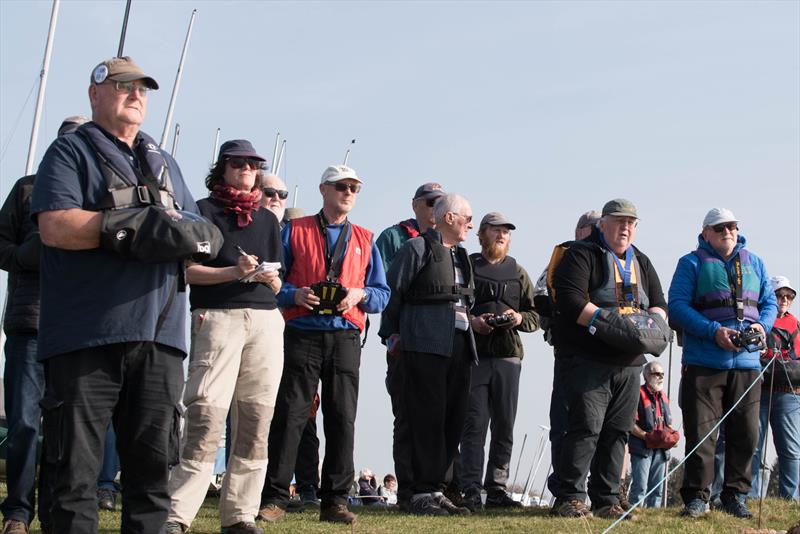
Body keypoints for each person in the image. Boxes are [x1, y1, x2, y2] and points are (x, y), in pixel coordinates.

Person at [30, 56, 198, 533]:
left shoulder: (162, 161)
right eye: (124, 86)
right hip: (86, 337)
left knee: (150, 480)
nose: (136, 95)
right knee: (72, 478)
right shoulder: (69, 154)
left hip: (161, 340)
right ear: (95, 94)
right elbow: (56, 227)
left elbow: (195, 233)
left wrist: (180, 234)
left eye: (142, 88)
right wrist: (135, 227)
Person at [258, 165, 389, 525]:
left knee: (342, 417)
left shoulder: (365, 239)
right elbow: (271, 278)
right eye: (342, 186)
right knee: (290, 415)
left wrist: (358, 294)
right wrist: (293, 293)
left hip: (345, 335)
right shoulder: (294, 230)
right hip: (303, 330)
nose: (349, 193)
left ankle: (335, 501)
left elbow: (382, 295)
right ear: (324, 190)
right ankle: (275, 497)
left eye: (355, 188)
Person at [165, 140, 284, 534]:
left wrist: (270, 277)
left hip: (265, 320)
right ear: (223, 168)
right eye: (239, 163)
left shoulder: (268, 220)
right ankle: (177, 513)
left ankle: (239, 515)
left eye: (253, 163)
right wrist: (235, 272)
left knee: (255, 422)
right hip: (217, 317)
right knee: (205, 417)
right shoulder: (201, 211)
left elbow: (279, 279)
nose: (248, 168)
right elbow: (186, 271)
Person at [548, 198, 668, 519]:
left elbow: (657, 301)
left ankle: (606, 499)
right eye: (619, 221)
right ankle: (570, 497)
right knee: (585, 426)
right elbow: (572, 300)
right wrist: (610, 325)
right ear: (603, 224)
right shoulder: (581, 254)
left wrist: (651, 330)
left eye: (631, 223)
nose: (625, 228)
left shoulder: (641, 261)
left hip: (630, 362)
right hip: (589, 358)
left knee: (618, 431)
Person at [0, 115, 88, 534]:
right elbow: (1, 245)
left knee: (69, 430)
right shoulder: (26, 189)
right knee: (22, 423)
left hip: (81, 330)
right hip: (29, 325)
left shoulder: (99, 196)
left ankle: (55, 512)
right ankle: (17, 511)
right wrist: (28, 253)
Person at [668, 207, 777, 519]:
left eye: (731, 226)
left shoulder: (755, 262)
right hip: (704, 361)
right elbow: (676, 307)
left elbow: (769, 303)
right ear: (706, 233)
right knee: (702, 432)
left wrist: (762, 327)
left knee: (746, 433)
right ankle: (697, 498)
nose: (727, 231)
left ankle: (735, 495)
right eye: (719, 228)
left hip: (748, 363)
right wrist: (713, 331)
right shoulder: (690, 263)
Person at [379, 192, 477, 517]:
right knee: (426, 419)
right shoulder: (416, 248)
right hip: (424, 344)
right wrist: (391, 334)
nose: (471, 225)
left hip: (461, 345)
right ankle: (421, 492)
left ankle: (437, 488)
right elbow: (394, 292)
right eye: (467, 218)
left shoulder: (463, 256)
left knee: (454, 418)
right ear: (449, 218)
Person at [459, 212, 539, 511]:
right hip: (475, 356)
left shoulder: (518, 271)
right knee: (474, 425)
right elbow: (453, 306)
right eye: (496, 230)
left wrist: (519, 318)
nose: (502, 235)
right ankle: (469, 488)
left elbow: (535, 315)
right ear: (481, 234)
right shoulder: (467, 266)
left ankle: (497, 489)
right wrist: (472, 321)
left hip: (508, 357)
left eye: (506, 231)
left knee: (505, 426)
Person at [376, 181, 445, 509]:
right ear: (415, 204)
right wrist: (391, 334)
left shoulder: (449, 242)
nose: (435, 208)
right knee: (406, 416)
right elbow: (386, 288)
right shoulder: (394, 237)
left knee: (438, 417)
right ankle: (407, 491)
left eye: (440, 202)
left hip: (438, 345)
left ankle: (435, 487)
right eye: (430, 202)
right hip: (404, 340)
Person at [533, 209, 600, 496]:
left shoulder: (612, 259)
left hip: (605, 355)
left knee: (602, 425)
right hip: (570, 353)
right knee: (565, 422)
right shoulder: (563, 256)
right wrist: (555, 328)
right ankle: (564, 484)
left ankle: (604, 488)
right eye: (596, 227)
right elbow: (540, 296)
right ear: (581, 230)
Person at [748, 276, 800, 501]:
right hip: (758, 389)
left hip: (787, 392)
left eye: (789, 296)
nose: (785, 300)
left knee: (790, 450)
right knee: (753, 446)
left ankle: (789, 499)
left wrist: (770, 354)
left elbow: (796, 356)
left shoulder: (795, 323)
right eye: (780, 295)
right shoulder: (757, 318)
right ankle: (750, 496)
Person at [628, 361, 678, 508]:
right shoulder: (637, 394)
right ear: (646, 375)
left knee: (657, 490)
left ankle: (653, 517)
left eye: (662, 374)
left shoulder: (663, 396)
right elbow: (630, 424)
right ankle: (633, 514)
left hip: (661, 450)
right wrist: (646, 437)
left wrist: (671, 437)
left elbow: (667, 422)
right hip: (642, 449)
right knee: (640, 487)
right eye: (656, 374)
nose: (660, 377)